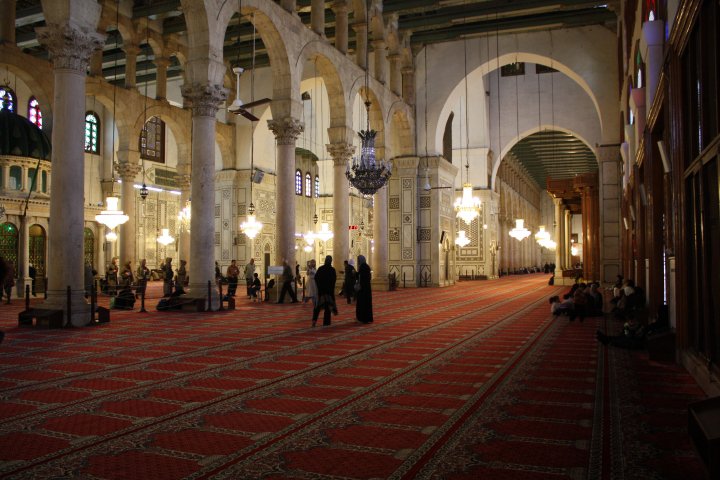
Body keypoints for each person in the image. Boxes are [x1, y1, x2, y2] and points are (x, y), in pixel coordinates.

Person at [312, 255, 337, 326]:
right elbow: (333, 280)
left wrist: (319, 287)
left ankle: (314, 320)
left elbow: (316, 278)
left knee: (317, 307)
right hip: (328, 292)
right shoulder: (332, 270)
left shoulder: (321, 269)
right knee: (327, 307)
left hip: (321, 291)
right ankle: (326, 323)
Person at [355, 255, 373, 324]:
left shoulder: (362, 267)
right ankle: (367, 318)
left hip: (362, 289)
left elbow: (360, 277)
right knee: (367, 303)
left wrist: (355, 274)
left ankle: (362, 317)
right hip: (367, 288)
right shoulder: (367, 266)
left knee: (362, 303)